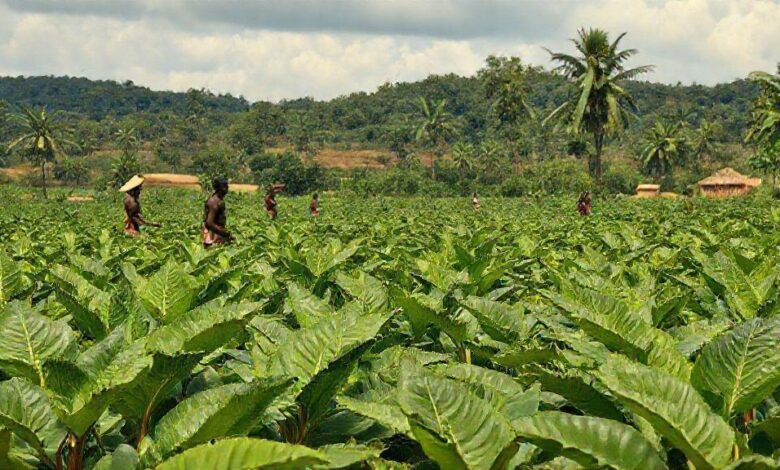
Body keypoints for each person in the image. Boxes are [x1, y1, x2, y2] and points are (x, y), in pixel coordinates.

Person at [202, 176, 232, 247]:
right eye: (224, 186)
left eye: (227, 186)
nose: (227, 188)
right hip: (212, 235)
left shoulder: (219, 201)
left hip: (218, 234)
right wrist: (224, 233)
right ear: (218, 188)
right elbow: (209, 223)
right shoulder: (214, 202)